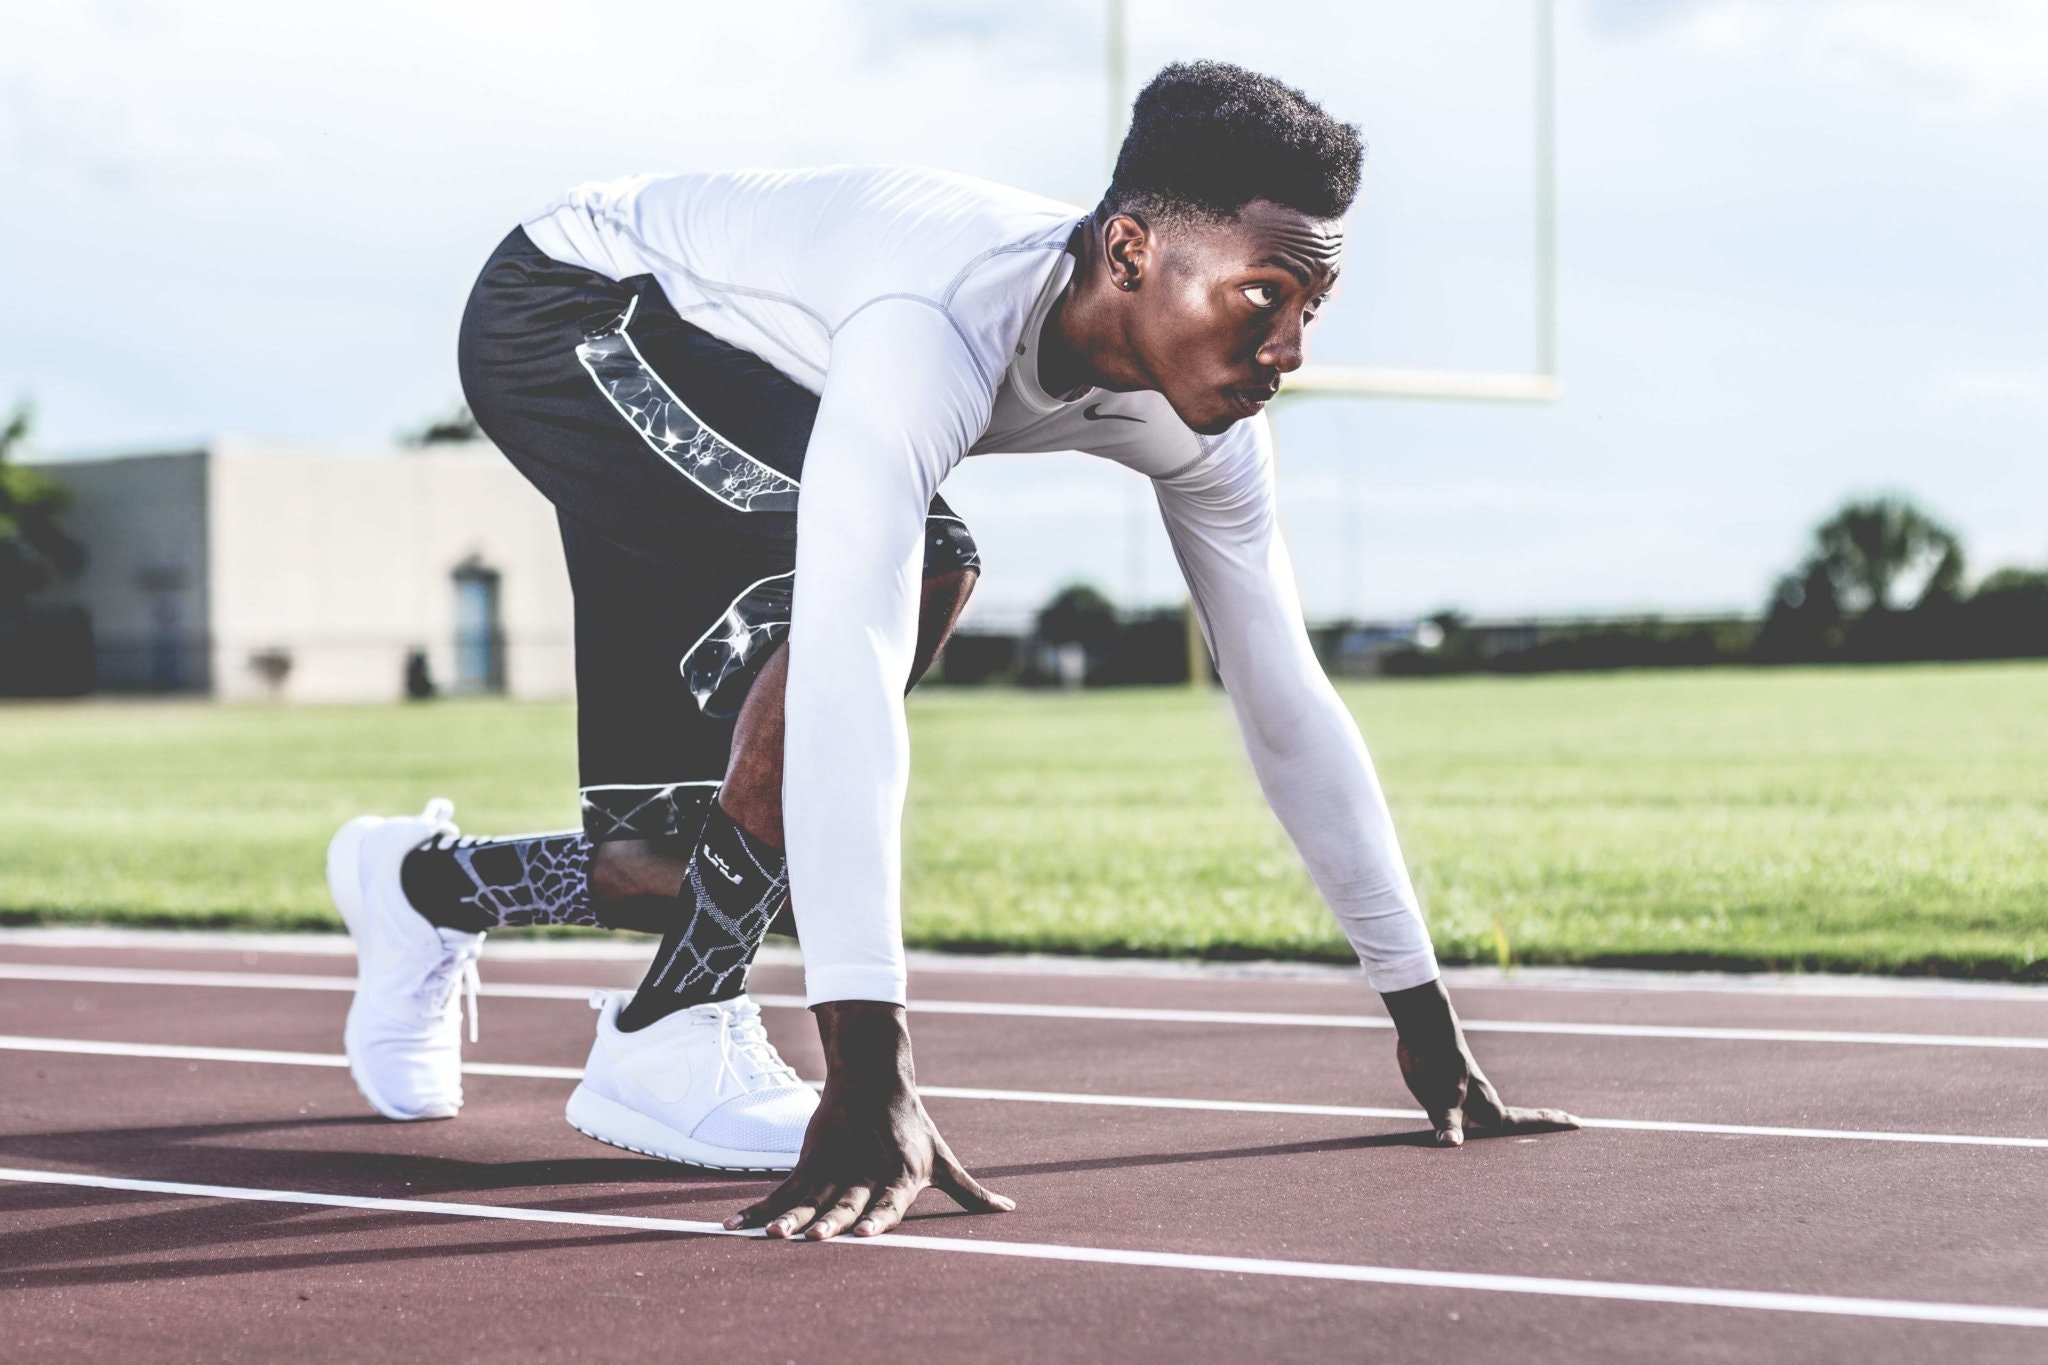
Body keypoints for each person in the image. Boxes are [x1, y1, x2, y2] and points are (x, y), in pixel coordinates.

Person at [326, 58, 1577, 1245]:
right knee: (918, 566)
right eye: (1263, 294)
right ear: (1129, 251)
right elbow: (851, 664)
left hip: (754, 373)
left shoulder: (1210, 427)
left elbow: (1284, 698)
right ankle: (672, 1024)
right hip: (574, 311)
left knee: (670, 862)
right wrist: (868, 1072)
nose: (1291, 348)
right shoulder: (935, 320)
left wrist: (1423, 1024)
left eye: (1312, 306)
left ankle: (423, 888)